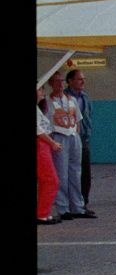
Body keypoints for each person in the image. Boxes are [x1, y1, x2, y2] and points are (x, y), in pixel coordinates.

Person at [46, 74, 92, 219]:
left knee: (76, 172)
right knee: (62, 173)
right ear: (50, 83)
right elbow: (47, 124)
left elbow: (78, 119)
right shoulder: (48, 102)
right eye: (56, 81)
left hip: (73, 136)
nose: (59, 84)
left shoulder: (71, 100)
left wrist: (76, 135)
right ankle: (63, 208)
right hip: (58, 135)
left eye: (61, 81)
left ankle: (78, 207)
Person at [65, 69, 94, 207]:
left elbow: (88, 115)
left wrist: (87, 132)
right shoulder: (64, 97)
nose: (82, 81)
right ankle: (72, 202)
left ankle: (84, 202)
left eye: (83, 79)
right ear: (70, 81)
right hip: (69, 137)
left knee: (85, 172)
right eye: (79, 79)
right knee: (71, 171)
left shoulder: (84, 97)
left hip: (83, 138)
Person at [37, 83, 63, 226]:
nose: (42, 92)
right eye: (40, 89)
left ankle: (43, 212)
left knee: (45, 180)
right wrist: (52, 143)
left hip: (43, 145)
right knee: (50, 180)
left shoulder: (39, 109)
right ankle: (42, 214)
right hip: (41, 145)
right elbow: (39, 131)